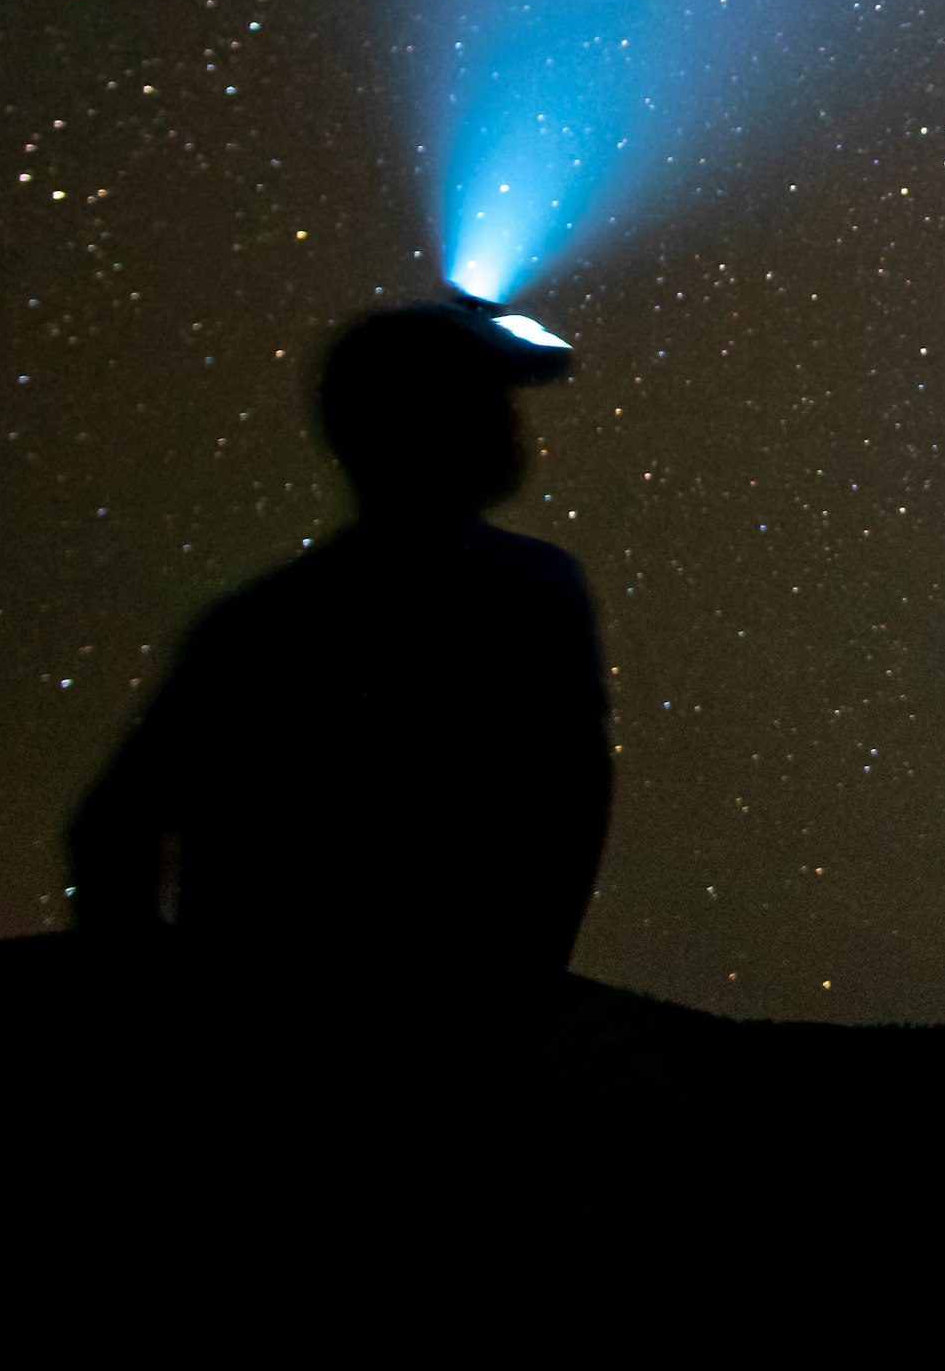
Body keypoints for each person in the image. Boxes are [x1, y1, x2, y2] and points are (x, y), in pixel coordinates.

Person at [68, 296, 612, 1003]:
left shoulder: (252, 625)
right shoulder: (527, 590)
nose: (514, 420)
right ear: (442, 419)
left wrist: (154, 1013)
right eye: (492, 398)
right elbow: (564, 811)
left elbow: (112, 826)